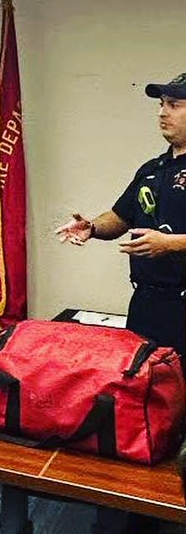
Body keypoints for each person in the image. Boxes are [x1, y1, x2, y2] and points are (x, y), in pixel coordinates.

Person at [56, 72, 186, 352]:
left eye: (174, 105)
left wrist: (171, 244)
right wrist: (92, 227)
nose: (162, 112)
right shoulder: (153, 169)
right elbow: (120, 217)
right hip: (147, 304)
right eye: (161, 104)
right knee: (143, 387)